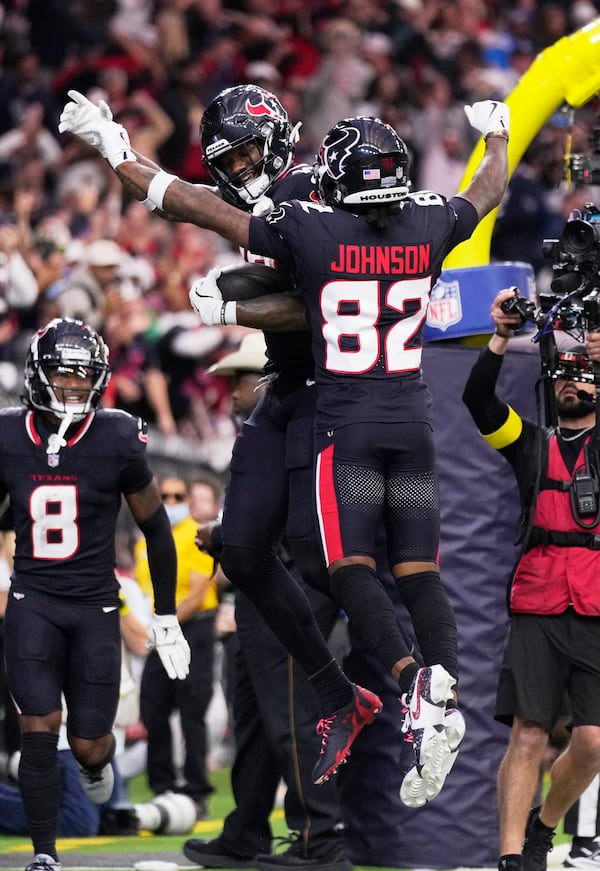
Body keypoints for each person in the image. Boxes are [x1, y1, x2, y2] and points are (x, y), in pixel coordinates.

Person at [58, 88, 508, 807]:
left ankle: (394, 691)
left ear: (284, 142)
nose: (240, 167)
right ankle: (352, 694)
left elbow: (316, 296)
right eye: (227, 158)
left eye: (246, 150)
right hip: (332, 400)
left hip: (330, 401)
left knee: (336, 561)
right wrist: (111, 143)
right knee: (240, 548)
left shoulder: (310, 200)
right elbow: (184, 199)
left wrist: (232, 305)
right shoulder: (380, 213)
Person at [1, 317, 191, 871]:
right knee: (37, 727)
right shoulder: (10, 434)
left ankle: (96, 761)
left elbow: (156, 529)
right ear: (38, 376)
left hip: (95, 606)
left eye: (84, 379)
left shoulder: (116, 436)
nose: (74, 389)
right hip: (32, 598)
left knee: (89, 744)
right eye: (63, 376)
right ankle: (44, 854)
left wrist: (164, 616)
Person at [184, 330, 349, 871]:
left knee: (295, 712)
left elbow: (285, 519)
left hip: (291, 583)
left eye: (240, 379)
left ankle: (318, 839)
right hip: (264, 584)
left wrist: (225, 535)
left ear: (270, 378)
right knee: (253, 715)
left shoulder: (296, 428)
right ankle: (247, 828)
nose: (231, 392)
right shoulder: (271, 431)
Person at [462, 287, 600, 871]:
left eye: (588, 376)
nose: (576, 383)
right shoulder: (530, 443)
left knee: (593, 742)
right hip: (539, 600)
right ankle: (514, 857)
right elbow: (478, 401)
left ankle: (545, 829)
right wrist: (500, 336)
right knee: (528, 733)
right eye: (567, 376)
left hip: (595, 601)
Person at [135, 472, 218, 818]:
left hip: (193, 629)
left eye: (176, 497)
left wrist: (164, 625)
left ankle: (197, 791)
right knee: (152, 709)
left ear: (187, 501)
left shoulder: (195, 535)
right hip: (162, 631)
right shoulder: (145, 542)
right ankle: (162, 786)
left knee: (191, 713)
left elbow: (198, 593)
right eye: (164, 496)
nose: (169, 503)